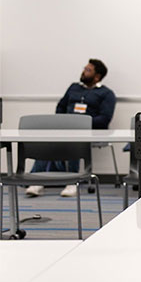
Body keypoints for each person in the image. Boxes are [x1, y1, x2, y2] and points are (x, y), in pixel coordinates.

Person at [26, 59, 116, 197]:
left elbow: (104, 119)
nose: (83, 72)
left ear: (97, 76)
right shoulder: (74, 87)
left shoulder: (106, 94)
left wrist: (82, 123)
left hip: (89, 131)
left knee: (75, 138)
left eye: (88, 70)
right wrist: (64, 122)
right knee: (46, 139)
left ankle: (72, 182)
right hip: (65, 128)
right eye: (84, 68)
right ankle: (37, 181)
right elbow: (60, 107)